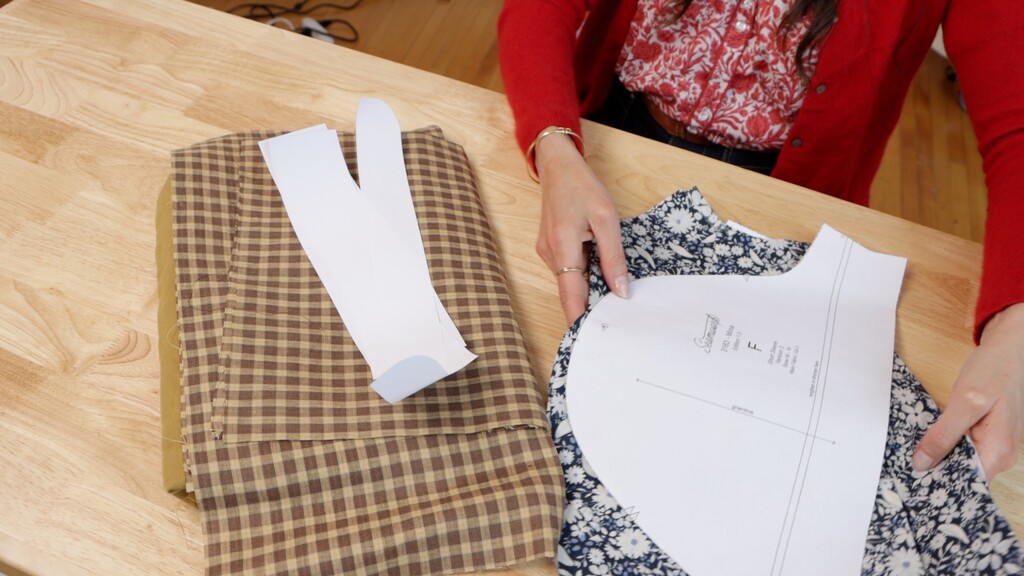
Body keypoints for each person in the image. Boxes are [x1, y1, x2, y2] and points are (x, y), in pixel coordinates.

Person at [497, 0, 1024, 479]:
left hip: (790, 196)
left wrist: (1015, 322)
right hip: (608, 145)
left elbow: (1015, 123)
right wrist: (553, 144)